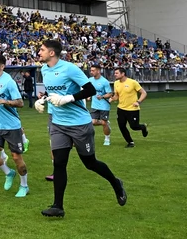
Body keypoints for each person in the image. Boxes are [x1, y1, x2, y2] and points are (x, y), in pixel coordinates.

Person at [36, 40, 127, 218]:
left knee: (90, 163)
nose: (39, 52)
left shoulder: (69, 68)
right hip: (58, 124)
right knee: (59, 163)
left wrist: (69, 98)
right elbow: (54, 92)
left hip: (78, 124)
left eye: (42, 49)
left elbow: (90, 90)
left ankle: (116, 183)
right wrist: (44, 99)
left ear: (52, 53)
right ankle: (57, 206)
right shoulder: (45, 69)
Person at [0, 54, 29, 198]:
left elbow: (20, 103)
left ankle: (24, 185)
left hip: (12, 126)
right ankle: (9, 173)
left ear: (2, 66)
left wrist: (4, 101)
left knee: (16, 158)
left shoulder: (9, 82)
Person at [111, 68, 148, 148]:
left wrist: (138, 102)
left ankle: (143, 127)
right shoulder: (116, 83)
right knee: (121, 126)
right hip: (121, 109)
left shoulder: (133, 82)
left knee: (134, 127)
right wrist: (113, 98)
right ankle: (130, 142)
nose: (115, 74)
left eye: (117, 73)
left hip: (132, 109)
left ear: (123, 74)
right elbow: (117, 95)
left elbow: (144, 93)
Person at [88, 65, 114, 146]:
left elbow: (110, 94)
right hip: (94, 105)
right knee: (93, 122)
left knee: (103, 123)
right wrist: (88, 95)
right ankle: (106, 123)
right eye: (91, 70)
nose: (91, 72)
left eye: (93, 70)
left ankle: (107, 138)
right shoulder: (90, 80)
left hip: (104, 105)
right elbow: (88, 90)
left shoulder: (104, 81)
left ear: (98, 71)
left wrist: (102, 96)